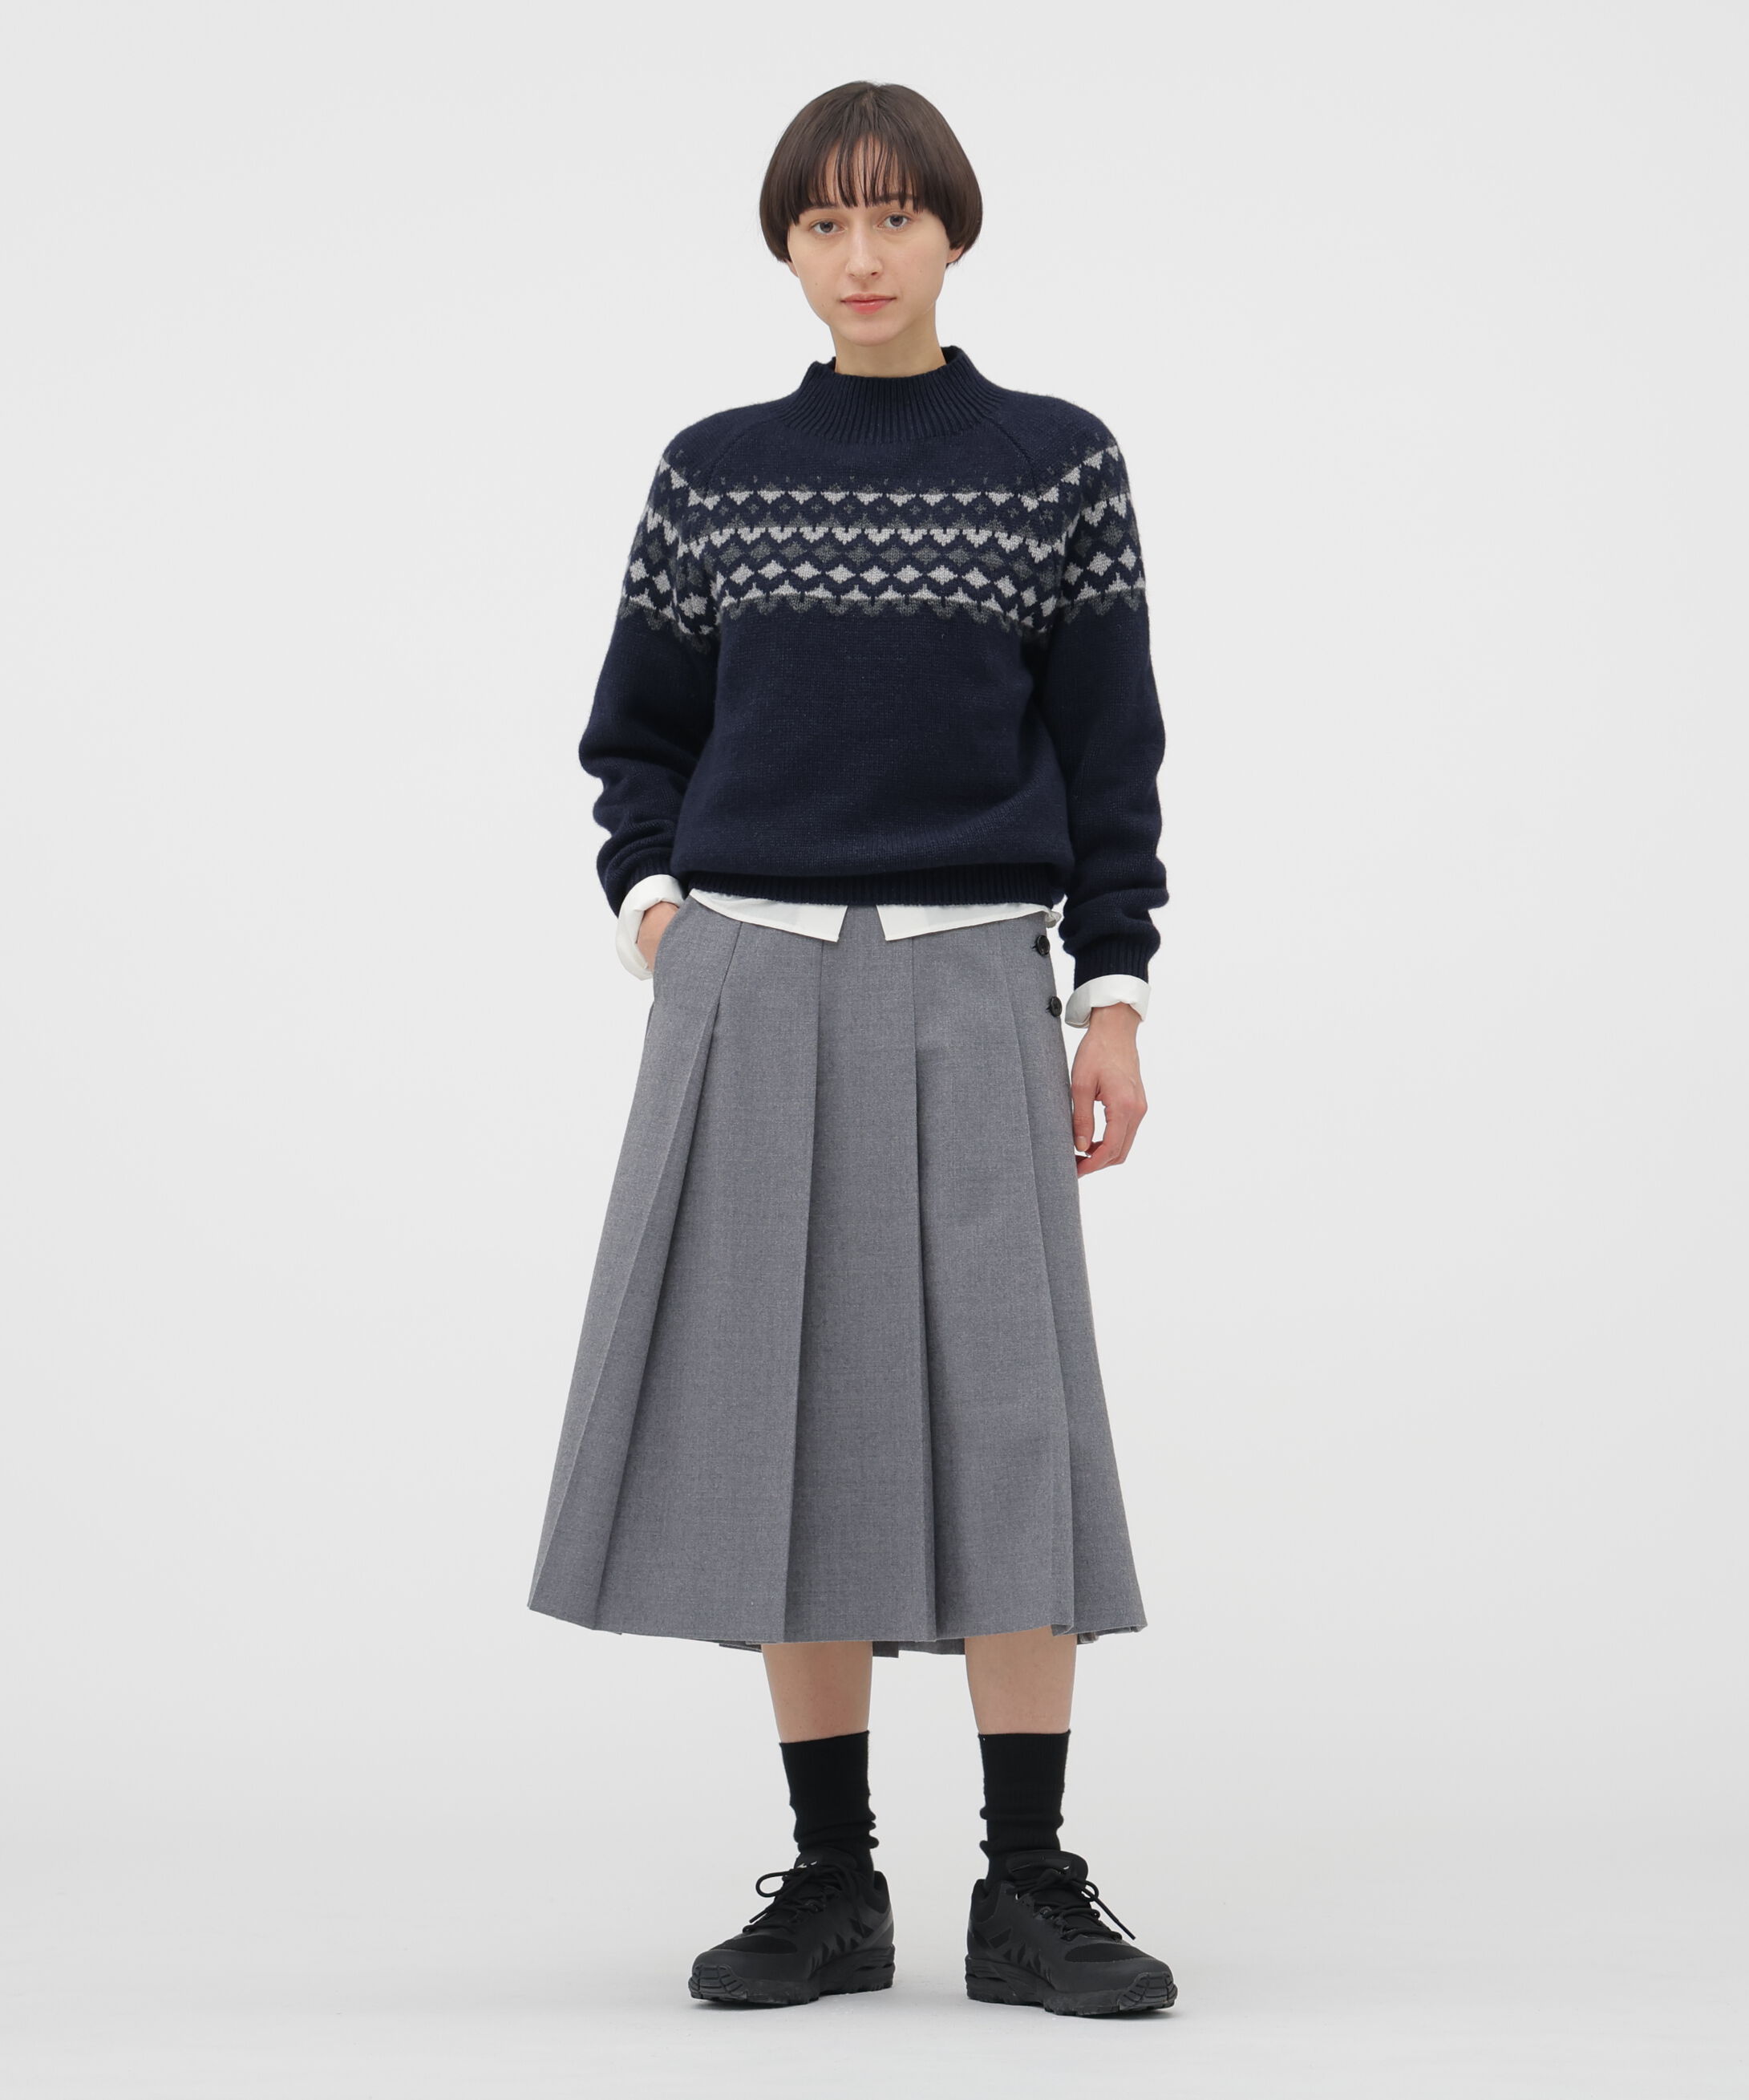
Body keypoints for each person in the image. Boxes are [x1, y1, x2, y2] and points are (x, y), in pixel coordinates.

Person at [528, 79, 1176, 2019]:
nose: (862, 254)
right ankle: (830, 1883)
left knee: (1009, 1417)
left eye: (894, 215)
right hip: (751, 975)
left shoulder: (1053, 464)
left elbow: (1110, 752)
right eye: (825, 223)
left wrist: (1114, 995)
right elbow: (635, 735)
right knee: (772, 1412)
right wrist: (660, 914)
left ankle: (1026, 1882)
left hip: (980, 972)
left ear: (952, 231)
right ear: (787, 249)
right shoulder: (714, 472)